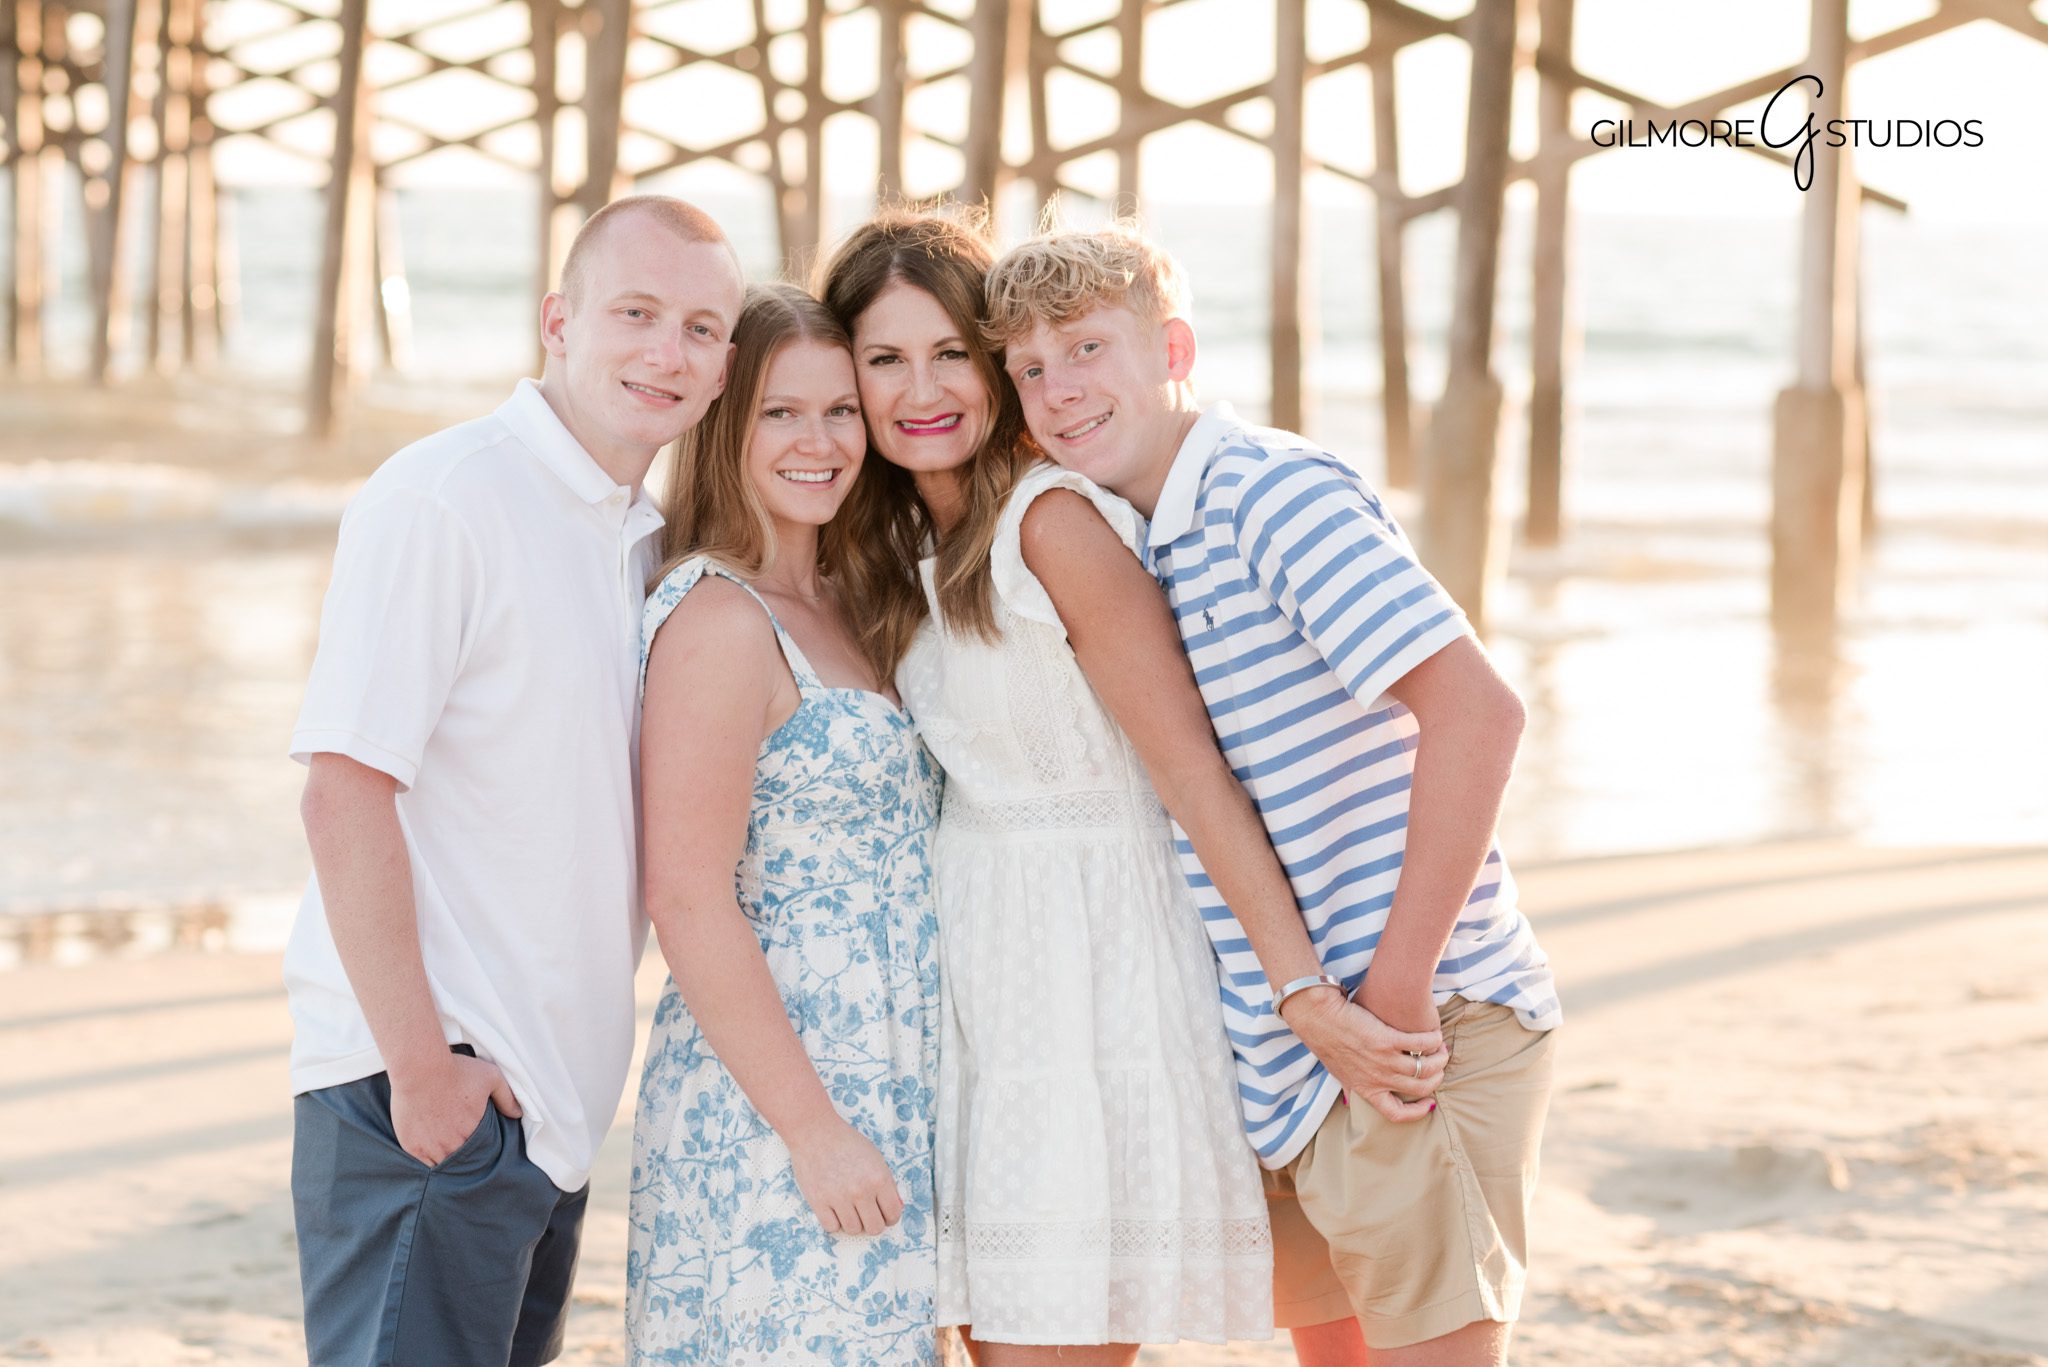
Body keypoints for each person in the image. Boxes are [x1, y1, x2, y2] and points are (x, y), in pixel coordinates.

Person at [820, 211, 1445, 1366]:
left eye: (949, 353)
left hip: (1099, 976)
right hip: (989, 987)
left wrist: (1299, 990)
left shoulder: (1051, 523)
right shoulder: (902, 541)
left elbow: (1193, 773)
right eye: (883, 358)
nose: (921, 390)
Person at [984, 224, 1564, 1367]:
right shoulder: (1144, 535)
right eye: (1029, 369)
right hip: (1299, 1049)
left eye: (1088, 347)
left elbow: (1478, 713)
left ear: (1173, 349)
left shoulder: (1265, 494)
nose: (1058, 390)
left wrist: (1392, 997)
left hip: (1416, 1025)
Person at [286, 195, 743, 1366]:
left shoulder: (639, 538)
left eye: (700, 327)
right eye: (634, 313)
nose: (666, 350)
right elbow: (342, 790)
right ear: (558, 319)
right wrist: (422, 1071)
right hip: (427, 1095)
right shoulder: (449, 495)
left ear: (724, 364)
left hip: (544, 1115)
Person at [627, 282, 943, 1365]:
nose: (819, 442)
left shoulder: (854, 598)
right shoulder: (721, 616)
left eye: (840, 410)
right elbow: (684, 892)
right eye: (779, 412)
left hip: (884, 1073)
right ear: (725, 427)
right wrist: (811, 1129)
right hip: (779, 1095)